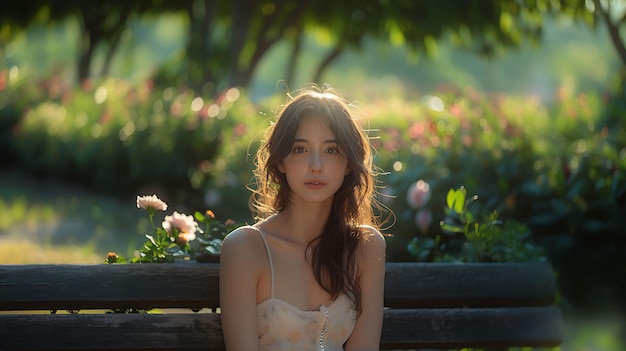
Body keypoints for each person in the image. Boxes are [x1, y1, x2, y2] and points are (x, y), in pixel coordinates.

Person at [219, 85, 387, 351]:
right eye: (300, 149)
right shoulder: (246, 248)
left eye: (331, 150)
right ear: (281, 161)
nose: (316, 165)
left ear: (348, 164)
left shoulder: (365, 247)